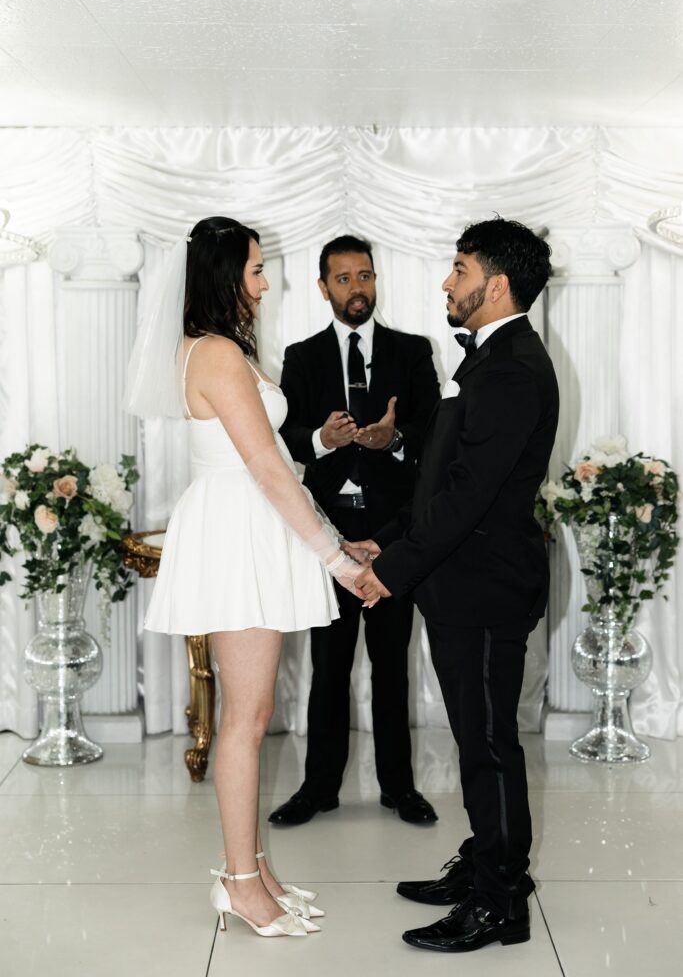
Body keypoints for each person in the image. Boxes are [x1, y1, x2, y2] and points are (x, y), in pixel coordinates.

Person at [124, 217, 372, 940]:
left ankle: (255, 868)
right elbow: (264, 469)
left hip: (251, 523)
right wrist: (335, 561)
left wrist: (333, 535)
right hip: (237, 531)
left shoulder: (225, 350)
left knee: (251, 713)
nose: (269, 281)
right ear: (226, 275)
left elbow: (279, 468)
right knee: (247, 717)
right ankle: (237, 882)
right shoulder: (217, 356)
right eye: (259, 269)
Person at [352, 218, 559, 952]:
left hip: (483, 586)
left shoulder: (508, 367)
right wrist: (394, 536)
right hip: (462, 579)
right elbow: (444, 472)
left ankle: (500, 903)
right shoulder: (489, 360)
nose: (447, 281)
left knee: (488, 745)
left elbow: (470, 494)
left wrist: (390, 572)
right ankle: (484, 862)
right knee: (479, 738)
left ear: (495, 285)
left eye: (459, 268)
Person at [268, 235, 441, 828]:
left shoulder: (414, 352)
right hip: (328, 538)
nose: (356, 288)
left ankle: (400, 788)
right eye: (343, 279)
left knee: (393, 665)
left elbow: (434, 441)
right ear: (323, 289)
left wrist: (390, 440)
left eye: (364, 275)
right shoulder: (301, 356)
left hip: (394, 538)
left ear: (376, 280)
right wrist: (325, 440)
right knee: (328, 668)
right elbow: (284, 445)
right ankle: (319, 788)